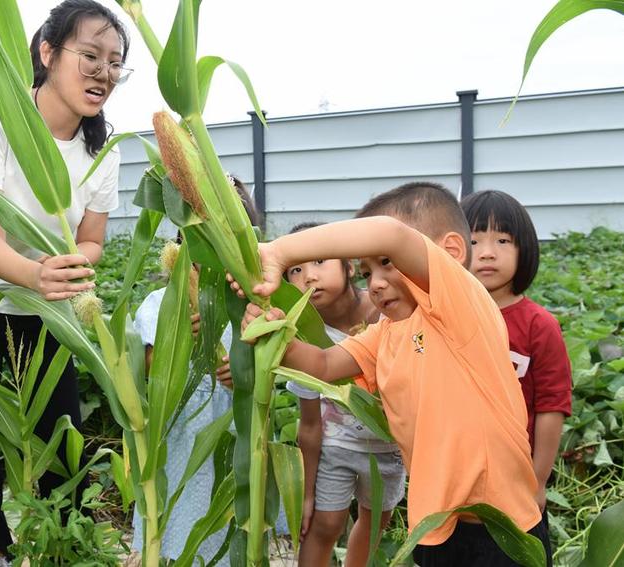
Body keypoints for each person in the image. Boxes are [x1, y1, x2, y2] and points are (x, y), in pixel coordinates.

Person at [235, 182, 551, 566]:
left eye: (386, 263)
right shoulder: (383, 334)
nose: (377, 282)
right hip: (436, 525)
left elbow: (392, 233)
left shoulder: (458, 308)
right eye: (366, 271)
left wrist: (279, 251)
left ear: (449, 253)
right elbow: (322, 365)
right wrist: (275, 331)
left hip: (503, 527)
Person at [0, 1, 131, 563]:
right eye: (90, 56)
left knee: (62, 438)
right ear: (47, 52)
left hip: (48, 309)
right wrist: (37, 275)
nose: (103, 73)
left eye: (115, 62)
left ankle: (68, 547)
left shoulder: (102, 150)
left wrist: (69, 265)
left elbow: (92, 239)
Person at [130, 177, 267, 564]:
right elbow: (148, 369)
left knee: (222, 522)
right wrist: (183, 343)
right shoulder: (163, 302)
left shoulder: (253, 301)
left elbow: (277, 365)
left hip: (232, 433)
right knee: (175, 520)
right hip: (179, 437)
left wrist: (244, 372)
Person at [283, 223, 404, 567]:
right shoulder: (301, 339)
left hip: (390, 447)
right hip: (336, 446)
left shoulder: (385, 313)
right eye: (295, 269)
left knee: (373, 524)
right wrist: (304, 495)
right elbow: (308, 425)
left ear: (350, 268)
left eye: (319, 261)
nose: (308, 277)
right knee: (324, 524)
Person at [462, 190, 571, 550]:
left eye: (503, 240)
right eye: (474, 240)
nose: (487, 251)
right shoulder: (445, 319)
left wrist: (537, 481)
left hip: (516, 490)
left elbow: (551, 407)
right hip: (453, 490)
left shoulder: (539, 325)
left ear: (524, 249)